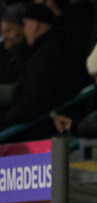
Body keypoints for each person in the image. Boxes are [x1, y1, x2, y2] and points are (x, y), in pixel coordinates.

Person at [1, 4, 81, 138]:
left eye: (25, 25)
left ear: (34, 25)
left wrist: (5, 119)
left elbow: (33, 102)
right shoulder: (51, 48)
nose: (24, 31)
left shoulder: (44, 55)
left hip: (41, 131)